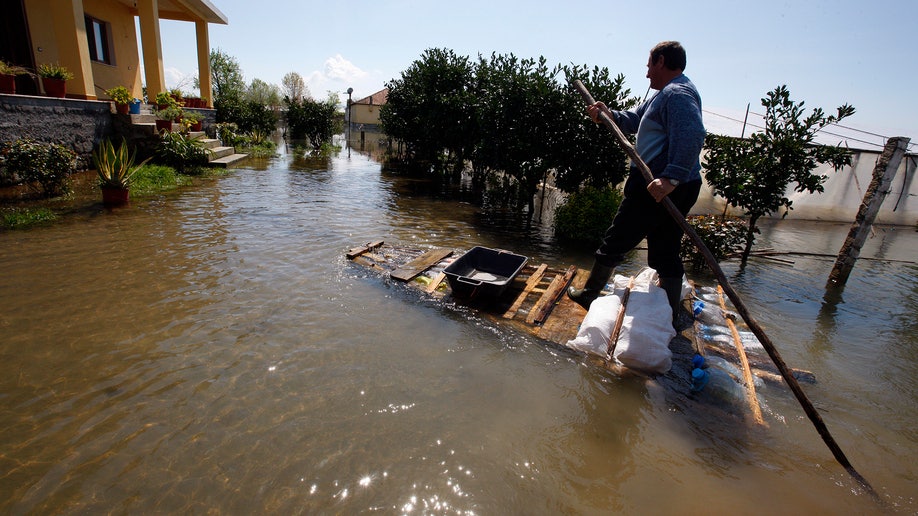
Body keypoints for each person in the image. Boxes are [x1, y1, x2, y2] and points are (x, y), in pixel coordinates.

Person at [567, 41, 706, 329]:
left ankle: (589, 294)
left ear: (661, 61)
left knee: (617, 238)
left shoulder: (677, 94)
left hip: (656, 182)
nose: (646, 75)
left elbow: (693, 135)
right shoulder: (663, 95)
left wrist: (669, 179)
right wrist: (608, 115)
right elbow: (634, 120)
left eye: (648, 66)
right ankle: (671, 313)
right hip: (670, 183)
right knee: (665, 249)